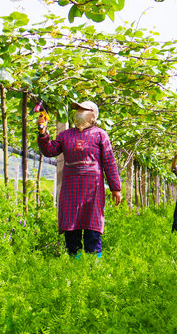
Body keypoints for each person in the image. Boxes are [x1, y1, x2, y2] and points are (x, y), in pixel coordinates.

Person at [37, 100, 122, 258]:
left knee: (92, 227)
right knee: (71, 226)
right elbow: (49, 150)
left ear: (93, 115)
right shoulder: (65, 135)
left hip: (93, 188)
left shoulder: (100, 134)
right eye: (77, 110)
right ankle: (75, 264)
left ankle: (94, 264)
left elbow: (109, 162)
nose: (78, 112)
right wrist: (43, 133)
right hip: (71, 188)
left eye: (83, 109)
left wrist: (115, 188)